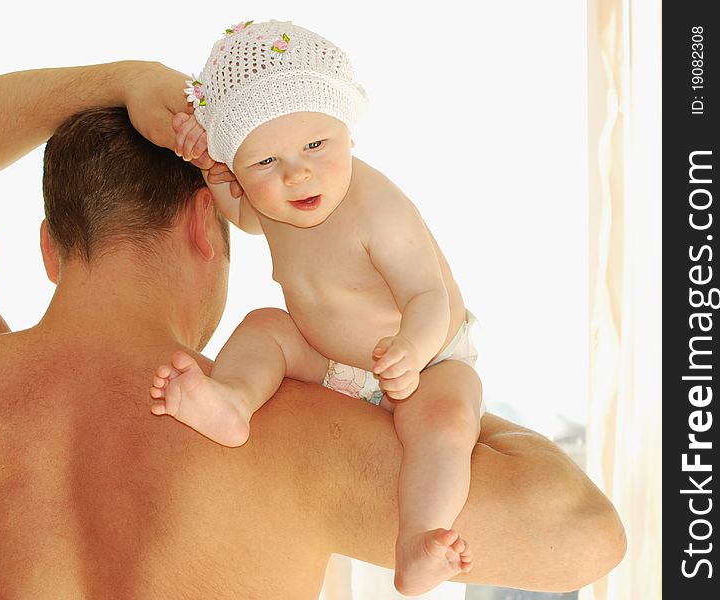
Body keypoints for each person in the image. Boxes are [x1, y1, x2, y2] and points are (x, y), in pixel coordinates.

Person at [0, 60, 625, 599]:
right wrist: (389, 379)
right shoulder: (284, 431)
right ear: (209, 224)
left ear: (48, 248)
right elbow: (583, 535)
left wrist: (128, 80)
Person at [149, 20, 477, 594]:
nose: (297, 172)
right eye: (264, 163)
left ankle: (419, 541)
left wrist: (412, 348)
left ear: (347, 131)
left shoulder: (378, 207)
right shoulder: (270, 204)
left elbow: (430, 296)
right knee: (264, 327)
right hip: (325, 356)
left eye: (316, 146)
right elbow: (248, 216)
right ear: (241, 170)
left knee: (447, 424)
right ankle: (232, 400)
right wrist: (210, 169)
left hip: (427, 359)